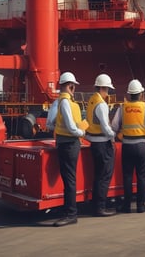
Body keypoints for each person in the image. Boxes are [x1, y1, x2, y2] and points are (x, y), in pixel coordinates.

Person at [46, 72, 85, 227]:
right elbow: (69, 123)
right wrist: (81, 132)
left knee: (69, 180)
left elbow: (67, 126)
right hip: (70, 144)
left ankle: (71, 214)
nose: (74, 88)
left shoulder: (63, 102)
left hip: (68, 144)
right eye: (73, 85)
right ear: (70, 85)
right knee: (69, 179)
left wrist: (80, 133)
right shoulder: (70, 103)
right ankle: (69, 210)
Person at [111, 79, 145, 213]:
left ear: (129, 95)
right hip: (142, 146)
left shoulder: (122, 107)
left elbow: (114, 127)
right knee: (142, 176)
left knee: (127, 176)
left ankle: (127, 206)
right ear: (141, 94)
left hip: (127, 146)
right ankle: (141, 206)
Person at [85, 73, 117, 216]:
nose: (108, 93)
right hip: (103, 144)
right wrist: (114, 135)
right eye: (108, 90)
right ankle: (100, 207)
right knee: (104, 176)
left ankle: (95, 205)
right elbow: (105, 126)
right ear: (103, 88)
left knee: (98, 175)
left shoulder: (91, 101)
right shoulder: (102, 104)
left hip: (93, 142)